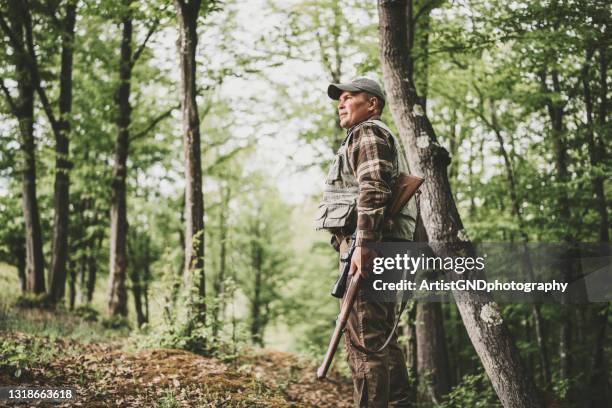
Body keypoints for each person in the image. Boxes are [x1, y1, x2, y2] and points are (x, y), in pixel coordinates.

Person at [314, 77, 418, 407]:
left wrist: (363, 243)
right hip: (381, 246)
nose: (340, 104)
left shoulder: (368, 132)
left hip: (371, 247)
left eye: (348, 97)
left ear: (371, 104)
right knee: (380, 342)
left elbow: (373, 188)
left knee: (364, 342)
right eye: (339, 100)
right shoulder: (367, 135)